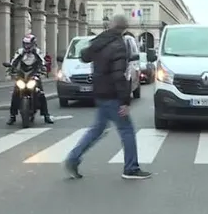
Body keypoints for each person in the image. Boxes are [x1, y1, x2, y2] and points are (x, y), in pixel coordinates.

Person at [64, 14, 151, 180]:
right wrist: (124, 101)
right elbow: (119, 75)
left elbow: (84, 56)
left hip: (99, 92)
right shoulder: (119, 45)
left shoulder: (100, 40)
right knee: (127, 130)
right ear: (124, 29)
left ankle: (73, 158)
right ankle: (131, 168)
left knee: (97, 129)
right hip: (112, 94)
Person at [6, 34, 54, 125]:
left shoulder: (38, 52)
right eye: (25, 44)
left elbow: (42, 62)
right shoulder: (20, 51)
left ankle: (46, 115)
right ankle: (12, 116)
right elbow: (14, 61)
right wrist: (11, 68)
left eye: (28, 44)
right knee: (15, 93)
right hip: (22, 74)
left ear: (33, 44)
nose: (26, 46)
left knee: (41, 93)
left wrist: (43, 68)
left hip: (34, 74)